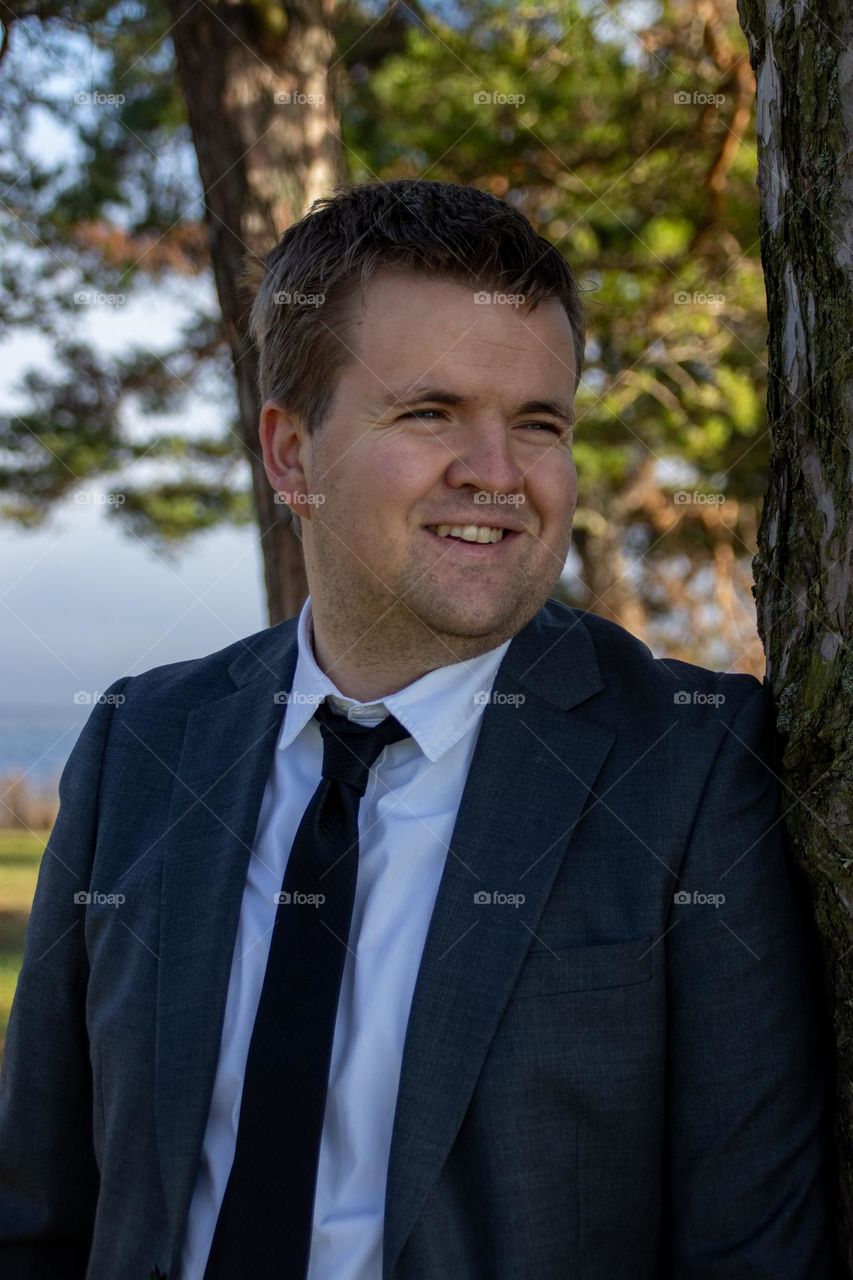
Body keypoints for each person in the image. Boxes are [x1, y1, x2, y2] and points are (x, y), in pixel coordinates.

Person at [0, 178, 834, 1279]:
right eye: (430, 411)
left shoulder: (686, 764)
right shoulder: (144, 740)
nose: (497, 474)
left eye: (537, 422)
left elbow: (753, 1253)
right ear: (292, 455)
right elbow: (38, 1212)